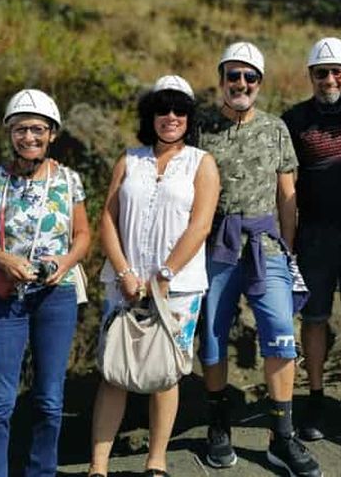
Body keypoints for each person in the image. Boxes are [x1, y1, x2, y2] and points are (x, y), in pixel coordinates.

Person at [198, 42, 322, 477]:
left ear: (260, 83)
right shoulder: (201, 126)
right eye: (234, 76)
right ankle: (218, 424)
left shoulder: (275, 129)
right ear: (222, 79)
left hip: (266, 244)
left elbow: (287, 193)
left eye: (250, 77)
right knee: (212, 338)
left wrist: (287, 248)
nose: (241, 84)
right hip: (215, 245)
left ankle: (281, 437)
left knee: (281, 332)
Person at [88, 75, 220, 477]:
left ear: (189, 116)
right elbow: (107, 220)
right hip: (123, 284)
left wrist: (163, 275)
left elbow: (200, 226)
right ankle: (98, 466)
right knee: (114, 371)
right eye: (162, 108)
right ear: (150, 115)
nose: (171, 116)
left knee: (165, 372)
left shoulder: (202, 162)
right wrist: (126, 272)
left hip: (177, 287)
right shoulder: (129, 160)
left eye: (180, 109)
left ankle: (156, 461)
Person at [0, 89, 90, 477]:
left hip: (56, 295)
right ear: (9, 133)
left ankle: (42, 471)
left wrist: (65, 261)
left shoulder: (69, 180)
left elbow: (84, 235)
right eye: (21, 129)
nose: (29, 137)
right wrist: (5, 260)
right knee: (0, 400)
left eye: (38, 129)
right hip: (5, 298)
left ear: (52, 133)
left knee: (50, 399)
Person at [281, 37, 341, 446]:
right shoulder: (295, 119)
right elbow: (282, 177)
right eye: (321, 73)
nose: (330, 79)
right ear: (311, 76)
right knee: (315, 319)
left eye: (338, 71)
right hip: (314, 235)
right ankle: (316, 398)